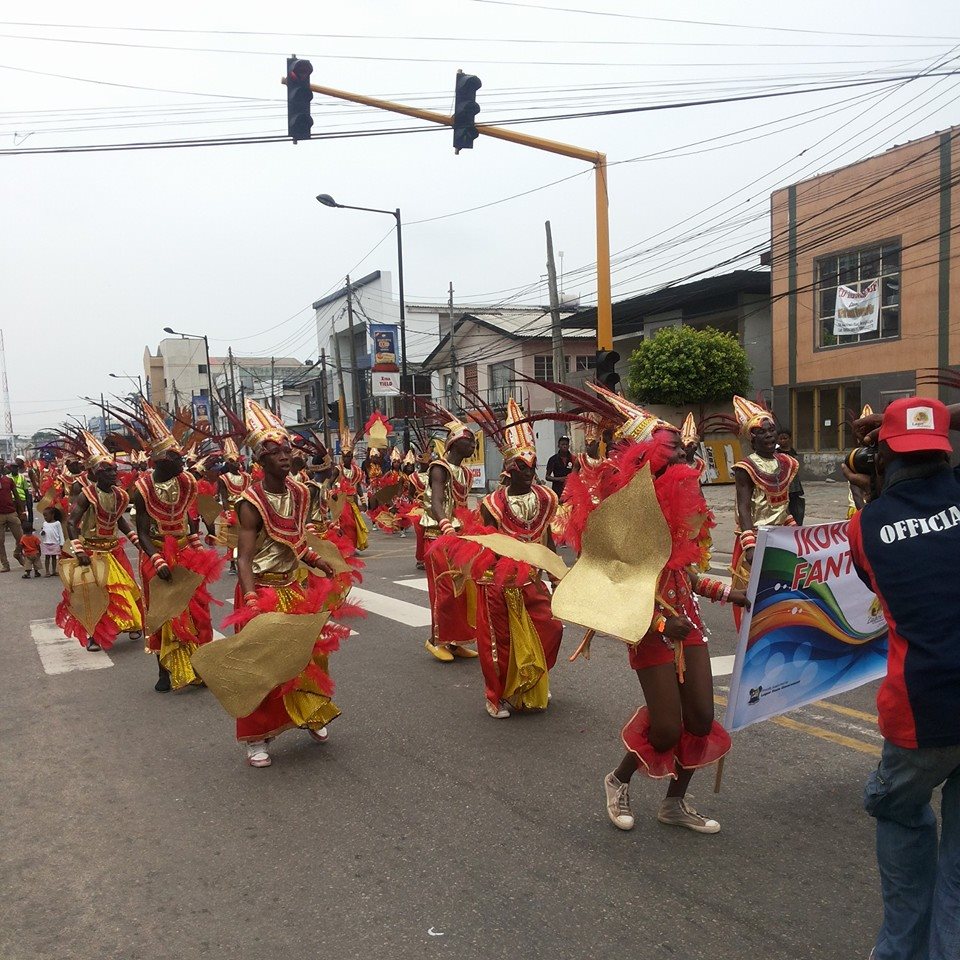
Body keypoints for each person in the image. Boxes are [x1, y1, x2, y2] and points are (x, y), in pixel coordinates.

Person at [532, 380, 748, 833]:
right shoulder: (617, 510)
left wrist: (729, 592)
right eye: (671, 451)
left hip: (686, 625)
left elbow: (684, 575)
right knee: (668, 728)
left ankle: (674, 803)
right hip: (647, 628)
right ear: (646, 454)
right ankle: (618, 779)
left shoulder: (683, 501)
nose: (681, 457)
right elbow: (608, 582)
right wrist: (657, 619)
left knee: (702, 720)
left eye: (682, 452)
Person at [845, 396, 960, 960]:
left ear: (879, 454)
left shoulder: (864, 528)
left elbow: (876, 585)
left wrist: (871, 490)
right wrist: (943, 415)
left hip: (923, 711)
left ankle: (900, 951)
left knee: (896, 807)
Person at [227, 400, 357, 768]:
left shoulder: (301, 493)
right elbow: (245, 558)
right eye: (275, 452)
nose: (284, 457)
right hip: (260, 590)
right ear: (260, 460)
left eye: (287, 450)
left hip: (292, 587)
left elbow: (296, 541)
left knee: (309, 658)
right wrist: (251, 599)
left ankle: (311, 713)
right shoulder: (250, 501)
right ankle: (257, 738)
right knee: (262, 667)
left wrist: (320, 563)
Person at [470, 398, 563, 718]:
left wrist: (554, 575)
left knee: (551, 627)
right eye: (521, 467)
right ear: (510, 470)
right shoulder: (492, 504)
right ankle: (495, 697)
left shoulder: (547, 498)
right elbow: (486, 545)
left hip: (532, 579)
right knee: (500, 644)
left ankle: (532, 679)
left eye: (532, 466)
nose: (528, 472)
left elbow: (547, 539)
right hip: (499, 581)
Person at [129, 401, 224, 692]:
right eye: (174, 456)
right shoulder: (142, 488)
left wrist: (198, 544)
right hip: (156, 552)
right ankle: (164, 670)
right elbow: (142, 531)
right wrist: (157, 562)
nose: (181, 460)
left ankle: (199, 666)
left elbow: (190, 516)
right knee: (164, 613)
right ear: (159, 460)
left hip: (186, 552)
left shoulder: (187, 483)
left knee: (198, 611)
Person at [56, 432, 143, 652]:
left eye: (115, 470)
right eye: (108, 471)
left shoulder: (121, 495)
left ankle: (132, 624)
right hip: (91, 551)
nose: (114, 474)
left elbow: (120, 521)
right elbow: (71, 523)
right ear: (96, 473)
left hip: (114, 550)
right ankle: (94, 634)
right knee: (94, 596)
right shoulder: (87, 494)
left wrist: (137, 542)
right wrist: (78, 551)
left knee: (126, 589)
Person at [417, 403, 479, 663]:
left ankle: (454, 641)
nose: (473, 445)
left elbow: (464, 505)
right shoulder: (439, 468)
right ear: (454, 443)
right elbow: (437, 502)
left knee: (462, 590)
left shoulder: (464, 471)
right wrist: (445, 525)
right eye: (469, 441)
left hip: (459, 536)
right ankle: (436, 640)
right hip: (438, 536)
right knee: (443, 590)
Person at [730, 396, 799, 627]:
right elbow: (744, 506)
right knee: (754, 595)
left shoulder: (787, 463)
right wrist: (749, 544)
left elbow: (781, 505)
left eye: (771, 429)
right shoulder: (746, 467)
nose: (769, 434)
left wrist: (796, 531)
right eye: (761, 431)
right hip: (755, 539)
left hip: (780, 539)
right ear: (752, 438)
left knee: (783, 593)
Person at [333, 431, 368, 553]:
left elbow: (358, 487)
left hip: (353, 503)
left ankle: (352, 547)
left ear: (352, 456)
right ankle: (344, 548)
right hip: (342, 503)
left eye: (348, 456)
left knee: (354, 526)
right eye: (344, 456)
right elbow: (330, 483)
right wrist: (332, 493)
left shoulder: (357, 471)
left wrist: (363, 501)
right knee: (344, 526)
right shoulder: (338, 469)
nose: (346, 458)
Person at [0, 464, 26, 573]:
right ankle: (5, 564)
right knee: (0, 542)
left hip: (11, 513)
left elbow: (16, 495)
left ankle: (17, 553)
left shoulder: (8, 480)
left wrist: (22, 511)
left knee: (21, 539)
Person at [776, 428, 805, 525]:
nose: (783, 441)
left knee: (797, 511)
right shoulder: (776, 454)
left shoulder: (793, 452)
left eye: (785, 438)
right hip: (783, 486)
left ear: (790, 439)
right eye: (780, 439)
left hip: (795, 486)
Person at [9, 457, 35, 527]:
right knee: (14, 513)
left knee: (27, 510)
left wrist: (36, 492)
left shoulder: (26, 473)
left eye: (18, 460)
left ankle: (29, 526)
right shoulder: (8, 477)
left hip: (24, 496)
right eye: (16, 460)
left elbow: (31, 483)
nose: (17, 461)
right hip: (13, 498)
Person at [39, 506, 64, 577]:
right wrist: (42, 533)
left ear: (52, 515)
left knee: (54, 557)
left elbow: (60, 533)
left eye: (46, 516)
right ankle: (47, 571)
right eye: (44, 516)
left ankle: (54, 570)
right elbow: (43, 533)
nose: (45, 518)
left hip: (55, 543)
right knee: (47, 557)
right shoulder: (45, 524)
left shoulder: (57, 523)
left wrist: (62, 543)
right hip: (47, 543)